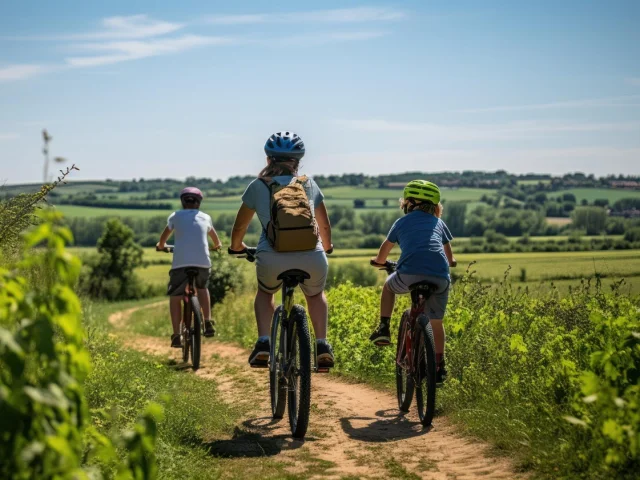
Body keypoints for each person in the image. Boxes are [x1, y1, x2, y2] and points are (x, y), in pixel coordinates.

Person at [229, 131, 335, 369]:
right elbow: (324, 225)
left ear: (268, 160)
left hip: (272, 258)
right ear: (297, 162)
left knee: (266, 294)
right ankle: (321, 345)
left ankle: (264, 342)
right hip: (313, 257)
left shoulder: (257, 186)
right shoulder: (309, 184)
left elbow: (240, 226)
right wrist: (326, 247)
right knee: (315, 295)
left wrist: (237, 247)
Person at [369, 180, 456, 383]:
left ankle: (383, 327)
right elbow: (449, 256)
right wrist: (450, 262)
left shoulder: (401, 222)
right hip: (440, 276)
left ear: (410, 203)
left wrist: (379, 262)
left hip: (409, 273)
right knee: (436, 321)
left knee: (389, 287)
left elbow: (385, 247)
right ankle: (439, 365)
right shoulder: (439, 223)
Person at [157, 187, 222, 348]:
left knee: (175, 296)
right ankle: (207, 321)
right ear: (199, 203)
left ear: (182, 201)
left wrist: (161, 246)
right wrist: (216, 246)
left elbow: (163, 240)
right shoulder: (205, 217)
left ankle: (176, 335)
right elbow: (217, 241)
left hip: (180, 264)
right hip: (202, 262)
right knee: (202, 288)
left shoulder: (175, 216)